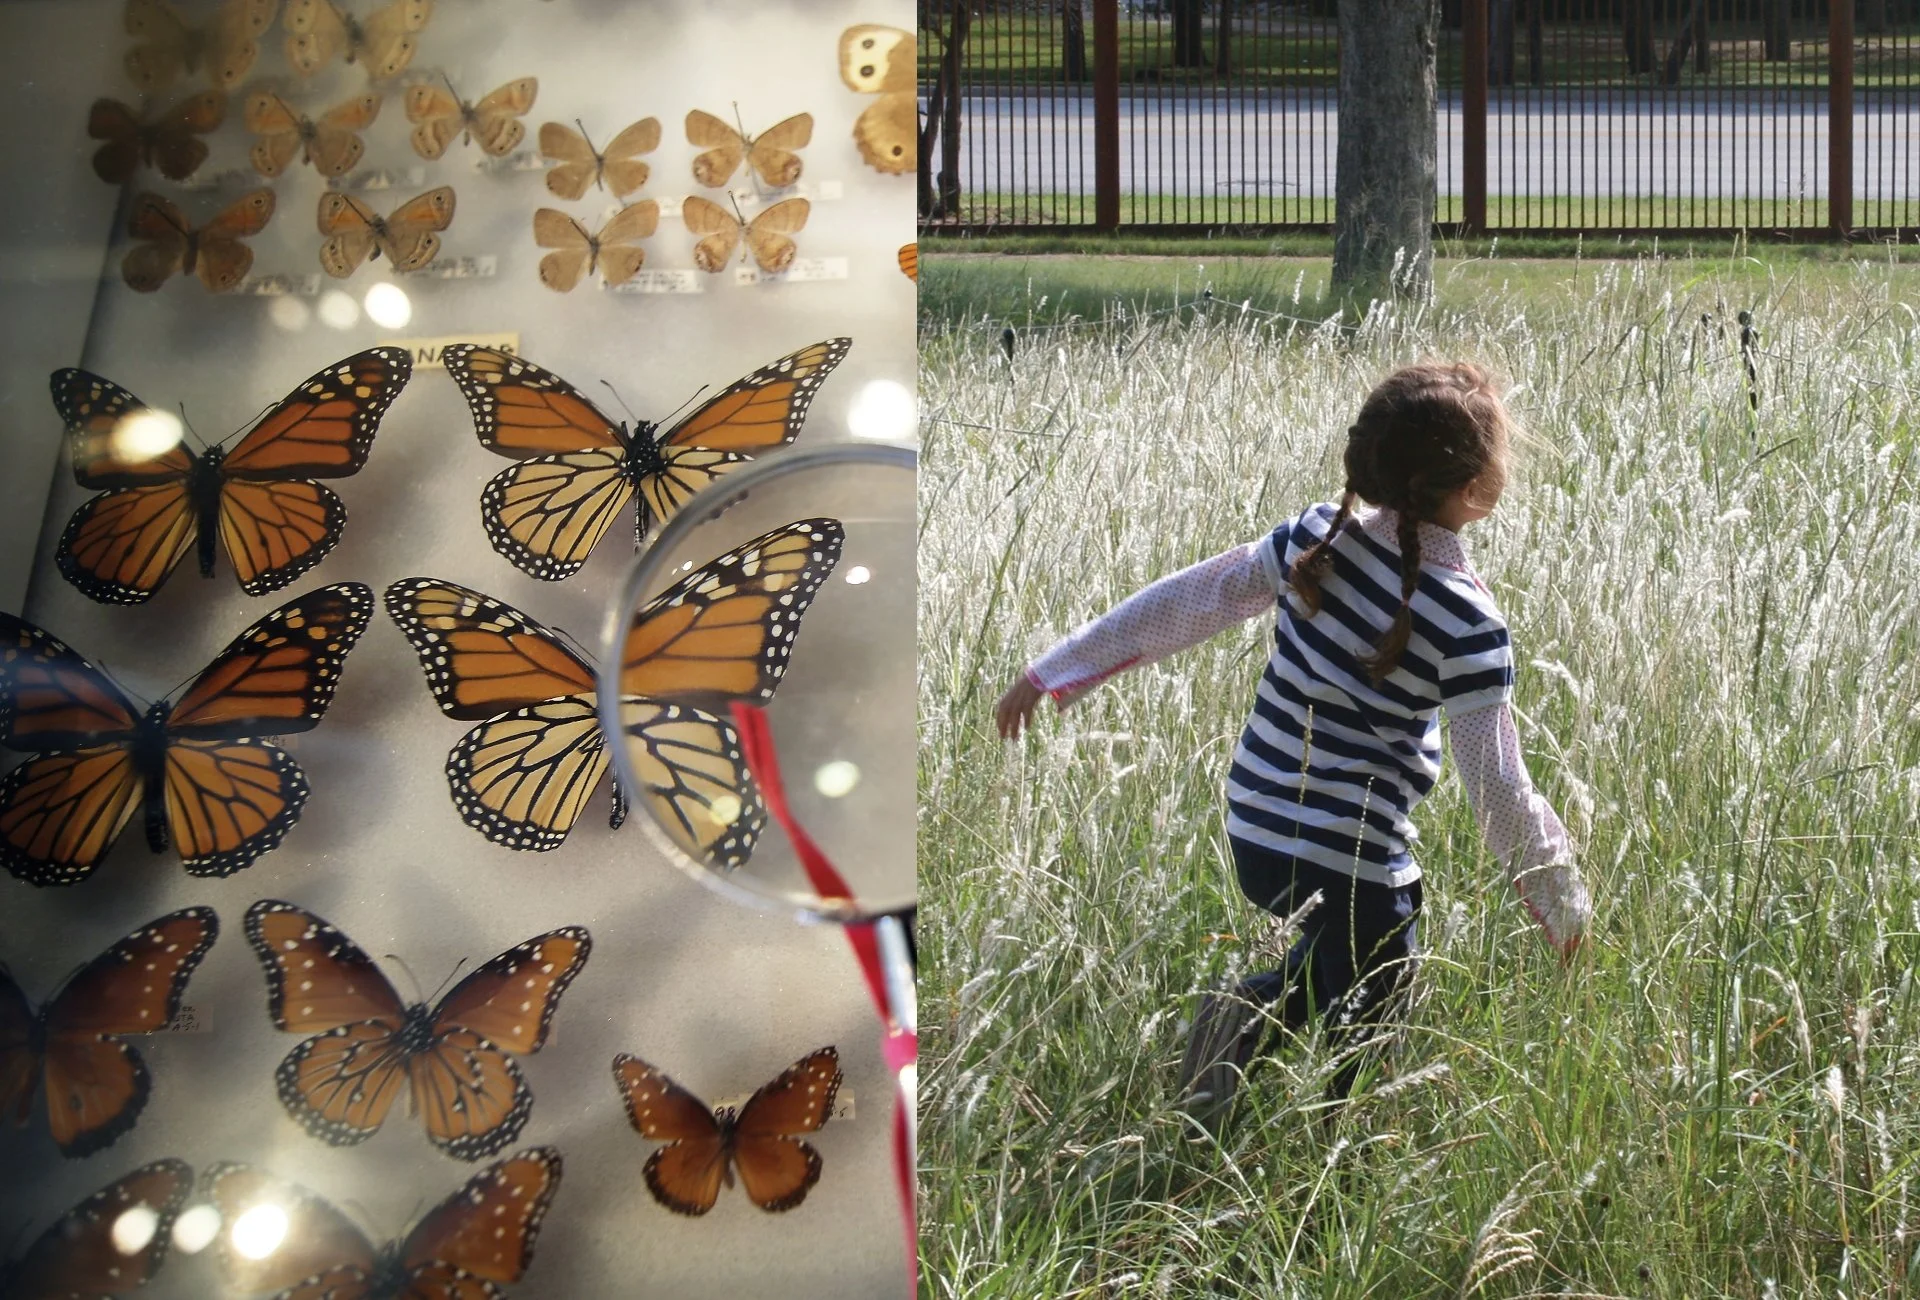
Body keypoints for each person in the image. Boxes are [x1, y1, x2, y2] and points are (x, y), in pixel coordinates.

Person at [995, 360, 1590, 1130]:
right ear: (1473, 480)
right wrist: (1562, 902)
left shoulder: (1319, 535)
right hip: (1347, 852)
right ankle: (1341, 1143)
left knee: (1347, 955)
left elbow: (1192, 598)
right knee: (1383, 976)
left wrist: (1060, 667)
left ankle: (1248, 1040)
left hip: (1257, 832)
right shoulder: (1469, 623)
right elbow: (1498, 783)